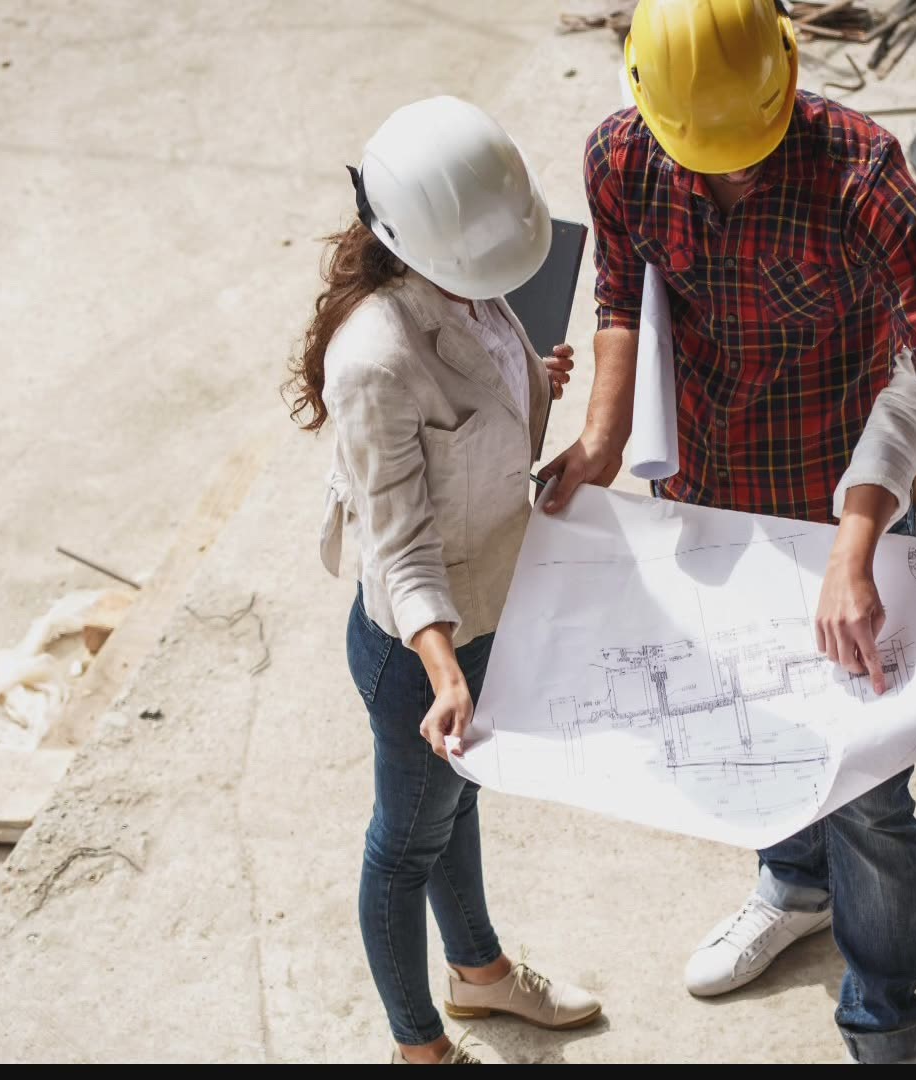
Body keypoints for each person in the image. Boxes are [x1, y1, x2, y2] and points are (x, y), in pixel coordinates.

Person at [539, 0, 916, 1063]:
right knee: (756, 726)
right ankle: (793, 887)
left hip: (845, 512)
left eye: (744, 160)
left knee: (870, 789)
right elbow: (621, 295)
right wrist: (603, 439)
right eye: (704, 161)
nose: (725, 182)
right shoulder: (623, 156)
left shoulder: (865, 175)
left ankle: (884, 1021)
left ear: (790, 82)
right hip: (708, 497)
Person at [284, 95, 599, 1065]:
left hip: (491, 608)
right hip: (421, 653)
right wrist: (447, 672)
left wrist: (534, 380)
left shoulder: (476, 270)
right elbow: (400, 542)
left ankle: (479, 974)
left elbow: (482, 403)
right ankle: (418, 1049)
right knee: (405, 844)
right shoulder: (375, 360)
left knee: (454, 808)